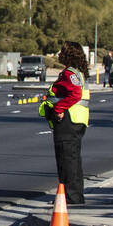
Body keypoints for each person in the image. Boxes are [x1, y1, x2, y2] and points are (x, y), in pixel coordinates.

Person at [38, 41, 90, 206]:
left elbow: (75, 94)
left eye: (62, 51)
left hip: (68, 120)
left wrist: (59, 108)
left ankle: (70, 197)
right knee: (73, 159)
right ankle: (74, 196)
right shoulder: (76, 72)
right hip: (75, 120)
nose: (59, 54)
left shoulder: (70, 74)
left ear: (69, 55)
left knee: (66, 160)